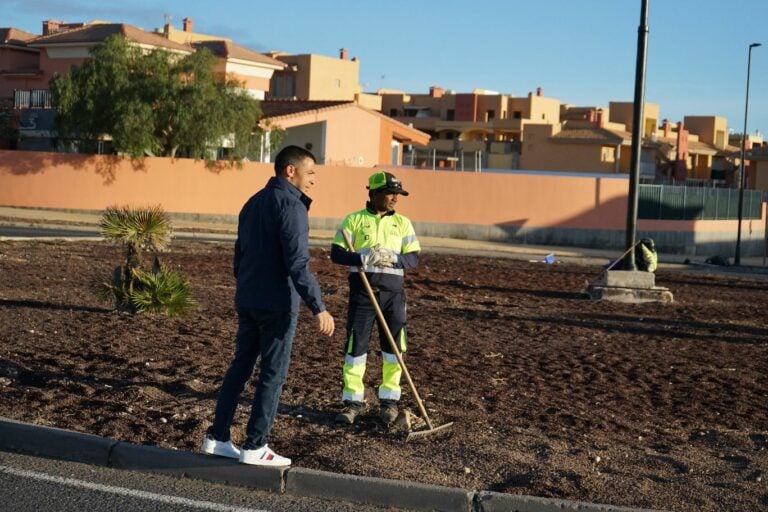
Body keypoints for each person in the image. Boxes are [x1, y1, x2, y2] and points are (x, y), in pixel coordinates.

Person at [201, 145, 335, 466]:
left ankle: (217, 437)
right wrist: (319, 306)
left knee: (240, 369)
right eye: (311, 172)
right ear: (291, 171)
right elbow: (298, 264)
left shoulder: (252, 203)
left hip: (248, 300)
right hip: (276, 305)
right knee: (272, 375)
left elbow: (239, 255)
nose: (313, 179)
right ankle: (255, 446)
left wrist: (246, 286)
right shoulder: (291, 207)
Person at [330, 171, 420, 425]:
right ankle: (353, 402)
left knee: (394, 351)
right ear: (374, 193)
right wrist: (360, 257)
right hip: (363, 295)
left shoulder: (403, 223)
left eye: (398, 194)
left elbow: (413, 258)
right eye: (391, 193)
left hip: (393, 296)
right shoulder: (354, 220)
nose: (395, 199)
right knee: (356, 349)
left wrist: (395, 258)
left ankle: (389, 402)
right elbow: (336, 254)